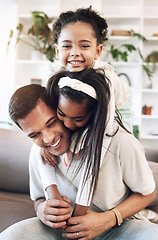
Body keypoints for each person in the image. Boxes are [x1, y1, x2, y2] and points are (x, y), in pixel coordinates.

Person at [1, 69, 158, 240]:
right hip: (63, 231)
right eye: (34, 134)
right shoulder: (39, 152)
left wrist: (108, 219)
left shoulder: (119, 142)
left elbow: (148, 193)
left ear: (60, 108)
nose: (48, 138)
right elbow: (38, 197)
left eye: (51, 122)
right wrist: (41, 210)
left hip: (118, 226)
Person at [50, 6, 133, 131]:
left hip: (118, 108)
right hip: (84, 111)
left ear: (97, 51)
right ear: (57, 50)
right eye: (67, 46)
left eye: (84, 46)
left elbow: (106, 122)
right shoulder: (56, 72)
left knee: (120, 136)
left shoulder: (105, 77)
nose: (75, 52)